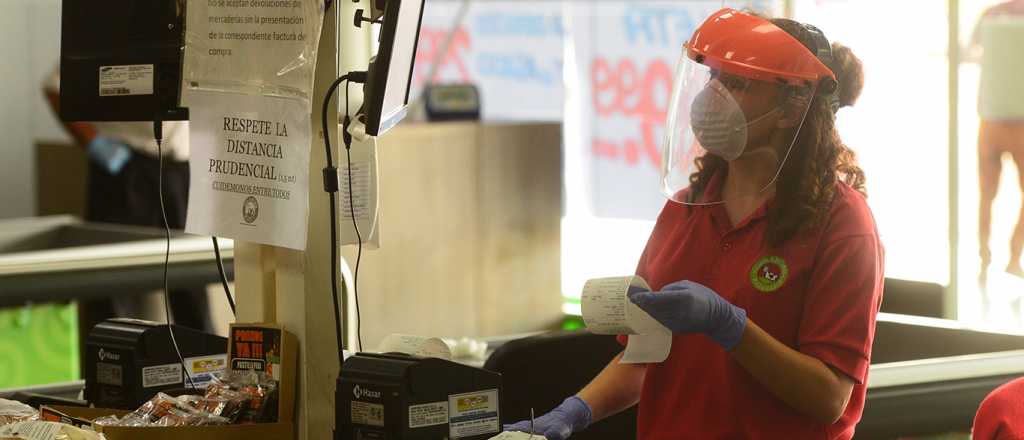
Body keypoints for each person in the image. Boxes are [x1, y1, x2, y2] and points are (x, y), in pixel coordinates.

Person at [505, 8, 882, 439]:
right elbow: (646, 356)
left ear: (791, 107)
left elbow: (829, 398)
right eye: (714, 78)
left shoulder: (842, 224)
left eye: (737, 83)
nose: (713, 97)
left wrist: (731, 327)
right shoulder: (687, 208)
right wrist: (573, 412)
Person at [42, 66, 213, 334]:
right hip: (125, 166)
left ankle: (203, 367)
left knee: (191, 277)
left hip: (180, 168)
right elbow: (55, 88)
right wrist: (94, 143)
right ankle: (107, 363)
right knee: (110, 277)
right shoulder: (106, 27)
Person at [968, 0, 1024, 288]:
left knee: (986, 194)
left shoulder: (990, 14)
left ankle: (984, 257)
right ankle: (1014, 258)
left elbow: (970, 51)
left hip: (990, 119)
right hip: (1022, 123)